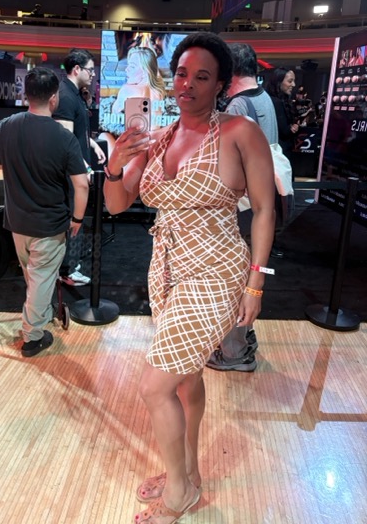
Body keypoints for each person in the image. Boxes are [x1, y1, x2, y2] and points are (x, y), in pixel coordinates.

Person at [103, 33, 275, 523]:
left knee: (155, 386)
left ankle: (179, 493)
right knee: (185, 379)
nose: (188, 84)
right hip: (166, 269)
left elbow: (264, 210)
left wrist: (256, 283)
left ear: (220, 83)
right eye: (181, 74)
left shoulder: (239, 132)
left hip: (217, 270)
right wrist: (115, 166)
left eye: (202, 76)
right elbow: (117, 205)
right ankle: (189, 470)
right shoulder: (158, 138)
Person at [0, 67, 89, 357]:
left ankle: (38, 317)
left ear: (26, 96)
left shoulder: (5, 126)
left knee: (35, 278)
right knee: (41, 278)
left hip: (16, 224)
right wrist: (77, 218)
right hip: (50, 226)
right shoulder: (64, 138)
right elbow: (81, 184)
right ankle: (33, 337)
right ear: (54, 98)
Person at [206, 42, 279, 373]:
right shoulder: (264, 98)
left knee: (235, 281)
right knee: (248, 274)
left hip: (244, 205)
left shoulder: (236, 107)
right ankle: (243, 340)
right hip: (263, 199)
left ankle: (234, 352)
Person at [54, 48, 106, 286]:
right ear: (77, 69)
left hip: (77, 169)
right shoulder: (65, 96)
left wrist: (92, 145)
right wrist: (85, 167)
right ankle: (67, 270)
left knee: (78, 217)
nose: (93, 74)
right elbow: (66, 140)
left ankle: (69, 267)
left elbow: (77, 132)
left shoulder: (75, 94)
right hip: (71, 173)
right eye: (90, 70)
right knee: (74, 218)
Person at [100, 47, 166, 158]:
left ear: (145, 72)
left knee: (103, 136)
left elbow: (114, 112)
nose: (126, 70)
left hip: (133, 154)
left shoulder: (128, 89)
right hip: (153, 150)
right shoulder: (158, 91)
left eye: (132, 66)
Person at [265, 68, 299, 169]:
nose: (293, 85)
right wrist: (294, 128)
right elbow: (285, 131)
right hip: (280, 152)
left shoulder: (266, 99)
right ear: (279, 82)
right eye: (290, 81)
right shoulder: (277, 103)